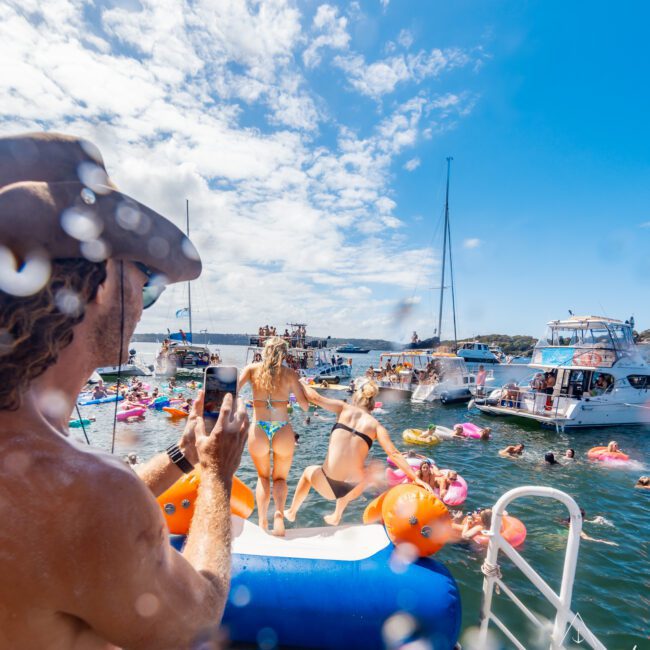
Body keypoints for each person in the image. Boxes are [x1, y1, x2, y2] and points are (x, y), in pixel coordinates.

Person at [0, 133, 250, 648]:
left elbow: (79, 520)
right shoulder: (88, 494)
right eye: (147, 281)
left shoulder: (35, 454)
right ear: (103, 282)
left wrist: (184, 458)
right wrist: (219, 475)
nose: (144, 302)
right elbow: (198, 619)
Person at [285, 379, 433, 526]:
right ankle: (337, 515)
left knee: (307, 472)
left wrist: (300, 382)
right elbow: (394, 454)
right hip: (352, 488)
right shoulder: (377, 427)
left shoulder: (344, 408)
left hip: (327, 485)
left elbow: (314, 397)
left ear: (356, 396)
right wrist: (416, 478)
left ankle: (292, 512)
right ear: (373, 404)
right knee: (367, 469)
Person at [238, 336, 309, 536]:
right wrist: (301, 389)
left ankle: (262, 521)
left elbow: (231, 391)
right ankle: (278, 512)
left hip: (259, 427)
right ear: (284, 354)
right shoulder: (290, 374)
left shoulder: (252, 370)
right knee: (280, 478)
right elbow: (304, 406)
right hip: (282, 428)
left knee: (262, 477)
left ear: (265, 351)